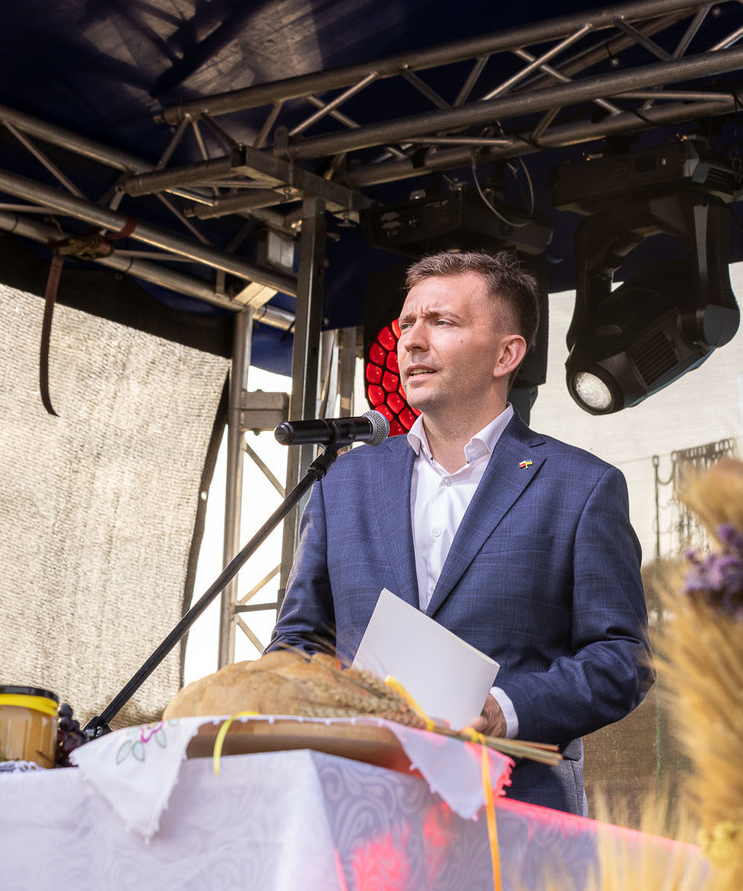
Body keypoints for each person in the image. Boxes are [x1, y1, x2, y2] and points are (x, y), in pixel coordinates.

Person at [268, 249, 652, 815]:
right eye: (406, 324)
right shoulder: (342, 482)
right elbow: (298, 640)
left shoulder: (581, 486)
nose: (411, 341)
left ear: (505, 354)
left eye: (441, 322)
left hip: (515, 813)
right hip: (359, 808)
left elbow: (622, 658)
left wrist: (503, 709)